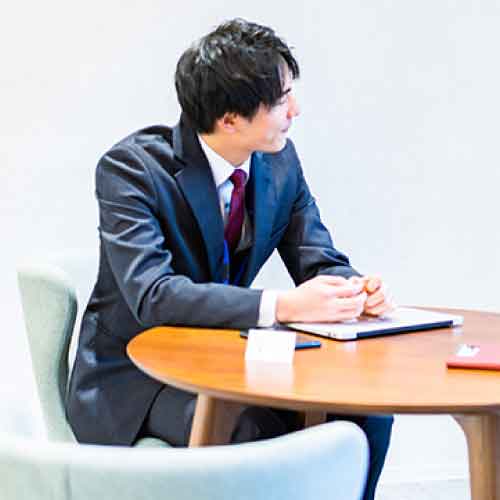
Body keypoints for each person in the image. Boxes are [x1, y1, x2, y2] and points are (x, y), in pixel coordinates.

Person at [66, 18, 393, 500]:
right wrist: (283, 306)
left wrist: (354, 289)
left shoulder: (279, 162)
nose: (295, 110)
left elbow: (317, 257)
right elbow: (153, 295)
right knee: (252, 430)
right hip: (139, 376)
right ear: (230, 119)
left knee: (367, 411)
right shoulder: (132, 170)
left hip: (229, 359)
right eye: (281, 100)